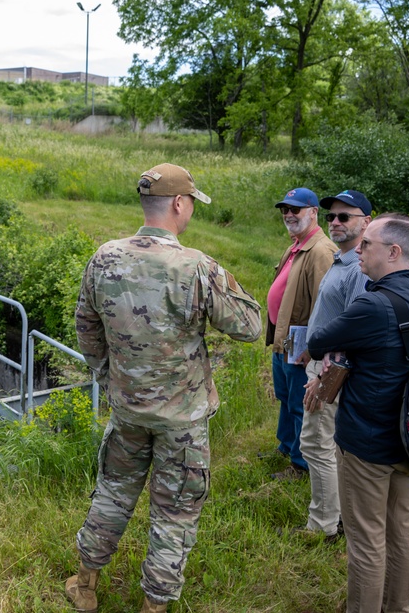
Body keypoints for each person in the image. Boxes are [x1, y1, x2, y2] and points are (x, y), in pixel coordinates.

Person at [66, 163, 262, 613]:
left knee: (113, 491)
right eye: (191, 202)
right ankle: (154, 605)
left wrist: (109, 378)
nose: (190, 210)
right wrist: (219, 281)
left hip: (128, 409)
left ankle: (85, 586)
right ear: (178, 203)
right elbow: (250, 326)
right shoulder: (196, 266)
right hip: (183, 419)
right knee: (174, 512)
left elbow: (86, 326)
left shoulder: (104, 257)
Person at [309, 213, 409, 613]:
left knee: (366, 539)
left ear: (394, 252)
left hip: (368, 439)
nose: (358, 250)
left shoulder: (375, 304)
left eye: (367, 244)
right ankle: (399, 607)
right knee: (404, 527)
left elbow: (319, 338)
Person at [289, 190, 372, 542]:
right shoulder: (342, 260)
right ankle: (334, 516)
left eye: (345, 216)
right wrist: (310, 348)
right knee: (324, 444)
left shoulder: (360, 269)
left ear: (367, 221)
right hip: (319, 360)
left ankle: (323, 526)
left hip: (331, 370)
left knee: (315, 444)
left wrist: (324, 376)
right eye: (331, 217)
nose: (335, 222)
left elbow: (356, 329)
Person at [264, 187, 337, 480]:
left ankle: (301, 464)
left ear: (313, 212)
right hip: (285, 341)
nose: (289, 215)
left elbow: (327, 304)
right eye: (285, 210)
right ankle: (286, 446)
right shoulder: (297, 244)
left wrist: (314, 348)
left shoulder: (321, 250)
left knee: (299, 403)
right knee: (285, 396)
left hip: (302, 345)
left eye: (295, 209)